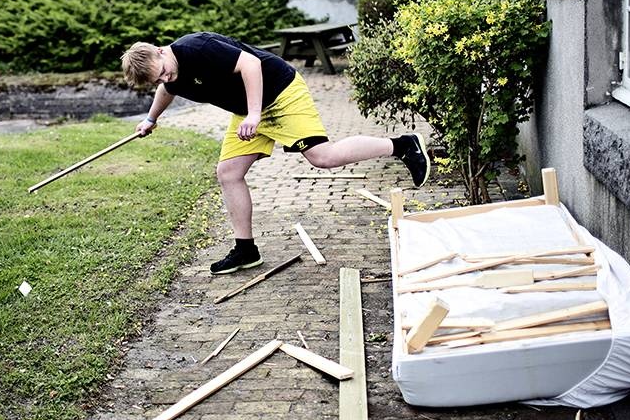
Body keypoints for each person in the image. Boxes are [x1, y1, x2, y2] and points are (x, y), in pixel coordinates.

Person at [121, 32, 429, 275]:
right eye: (157, 80)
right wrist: (151, 119)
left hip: (279, 93)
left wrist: (254, 114)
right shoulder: (169, 76)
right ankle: (246, 250)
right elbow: (168, 90)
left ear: (161, 51)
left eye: (163, 72)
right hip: (249, 110)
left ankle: (403, 145)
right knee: (228, 173)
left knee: (323, 157)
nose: (165, 79)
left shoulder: (197, 48)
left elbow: (250, 65)